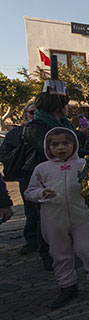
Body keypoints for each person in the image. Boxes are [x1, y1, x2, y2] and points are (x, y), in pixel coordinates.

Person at [24, 128, 89, 308]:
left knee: (88, 248)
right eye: (55, 144)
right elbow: (30, 191)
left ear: (74, 145)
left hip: (80, 216)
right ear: (48, 147)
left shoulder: (83, 164)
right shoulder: (42, 168)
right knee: (59, 253)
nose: (61, 148)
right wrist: (41, 193)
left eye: (66, 143)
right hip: (53, 219)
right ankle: (67, 285)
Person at [22, 91, 89, 269]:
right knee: (45, 218)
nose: (69, 108)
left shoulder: (64, 123)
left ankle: (78, 248)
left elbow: (71, 149)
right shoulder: (35, 126)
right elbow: (47, 148)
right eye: (66, 104)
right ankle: (48, 255)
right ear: (58, 107)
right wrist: (81, 135)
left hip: (67, 176)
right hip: (45, 177)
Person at [0, 101, 37, 253]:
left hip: (51, 176)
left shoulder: (51, 129)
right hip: (26, 176)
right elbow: (4, 154)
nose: (35, 115)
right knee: (31, 210)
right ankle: (32, 240)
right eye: (32, 112)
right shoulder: (15, 133)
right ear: (26, 115)